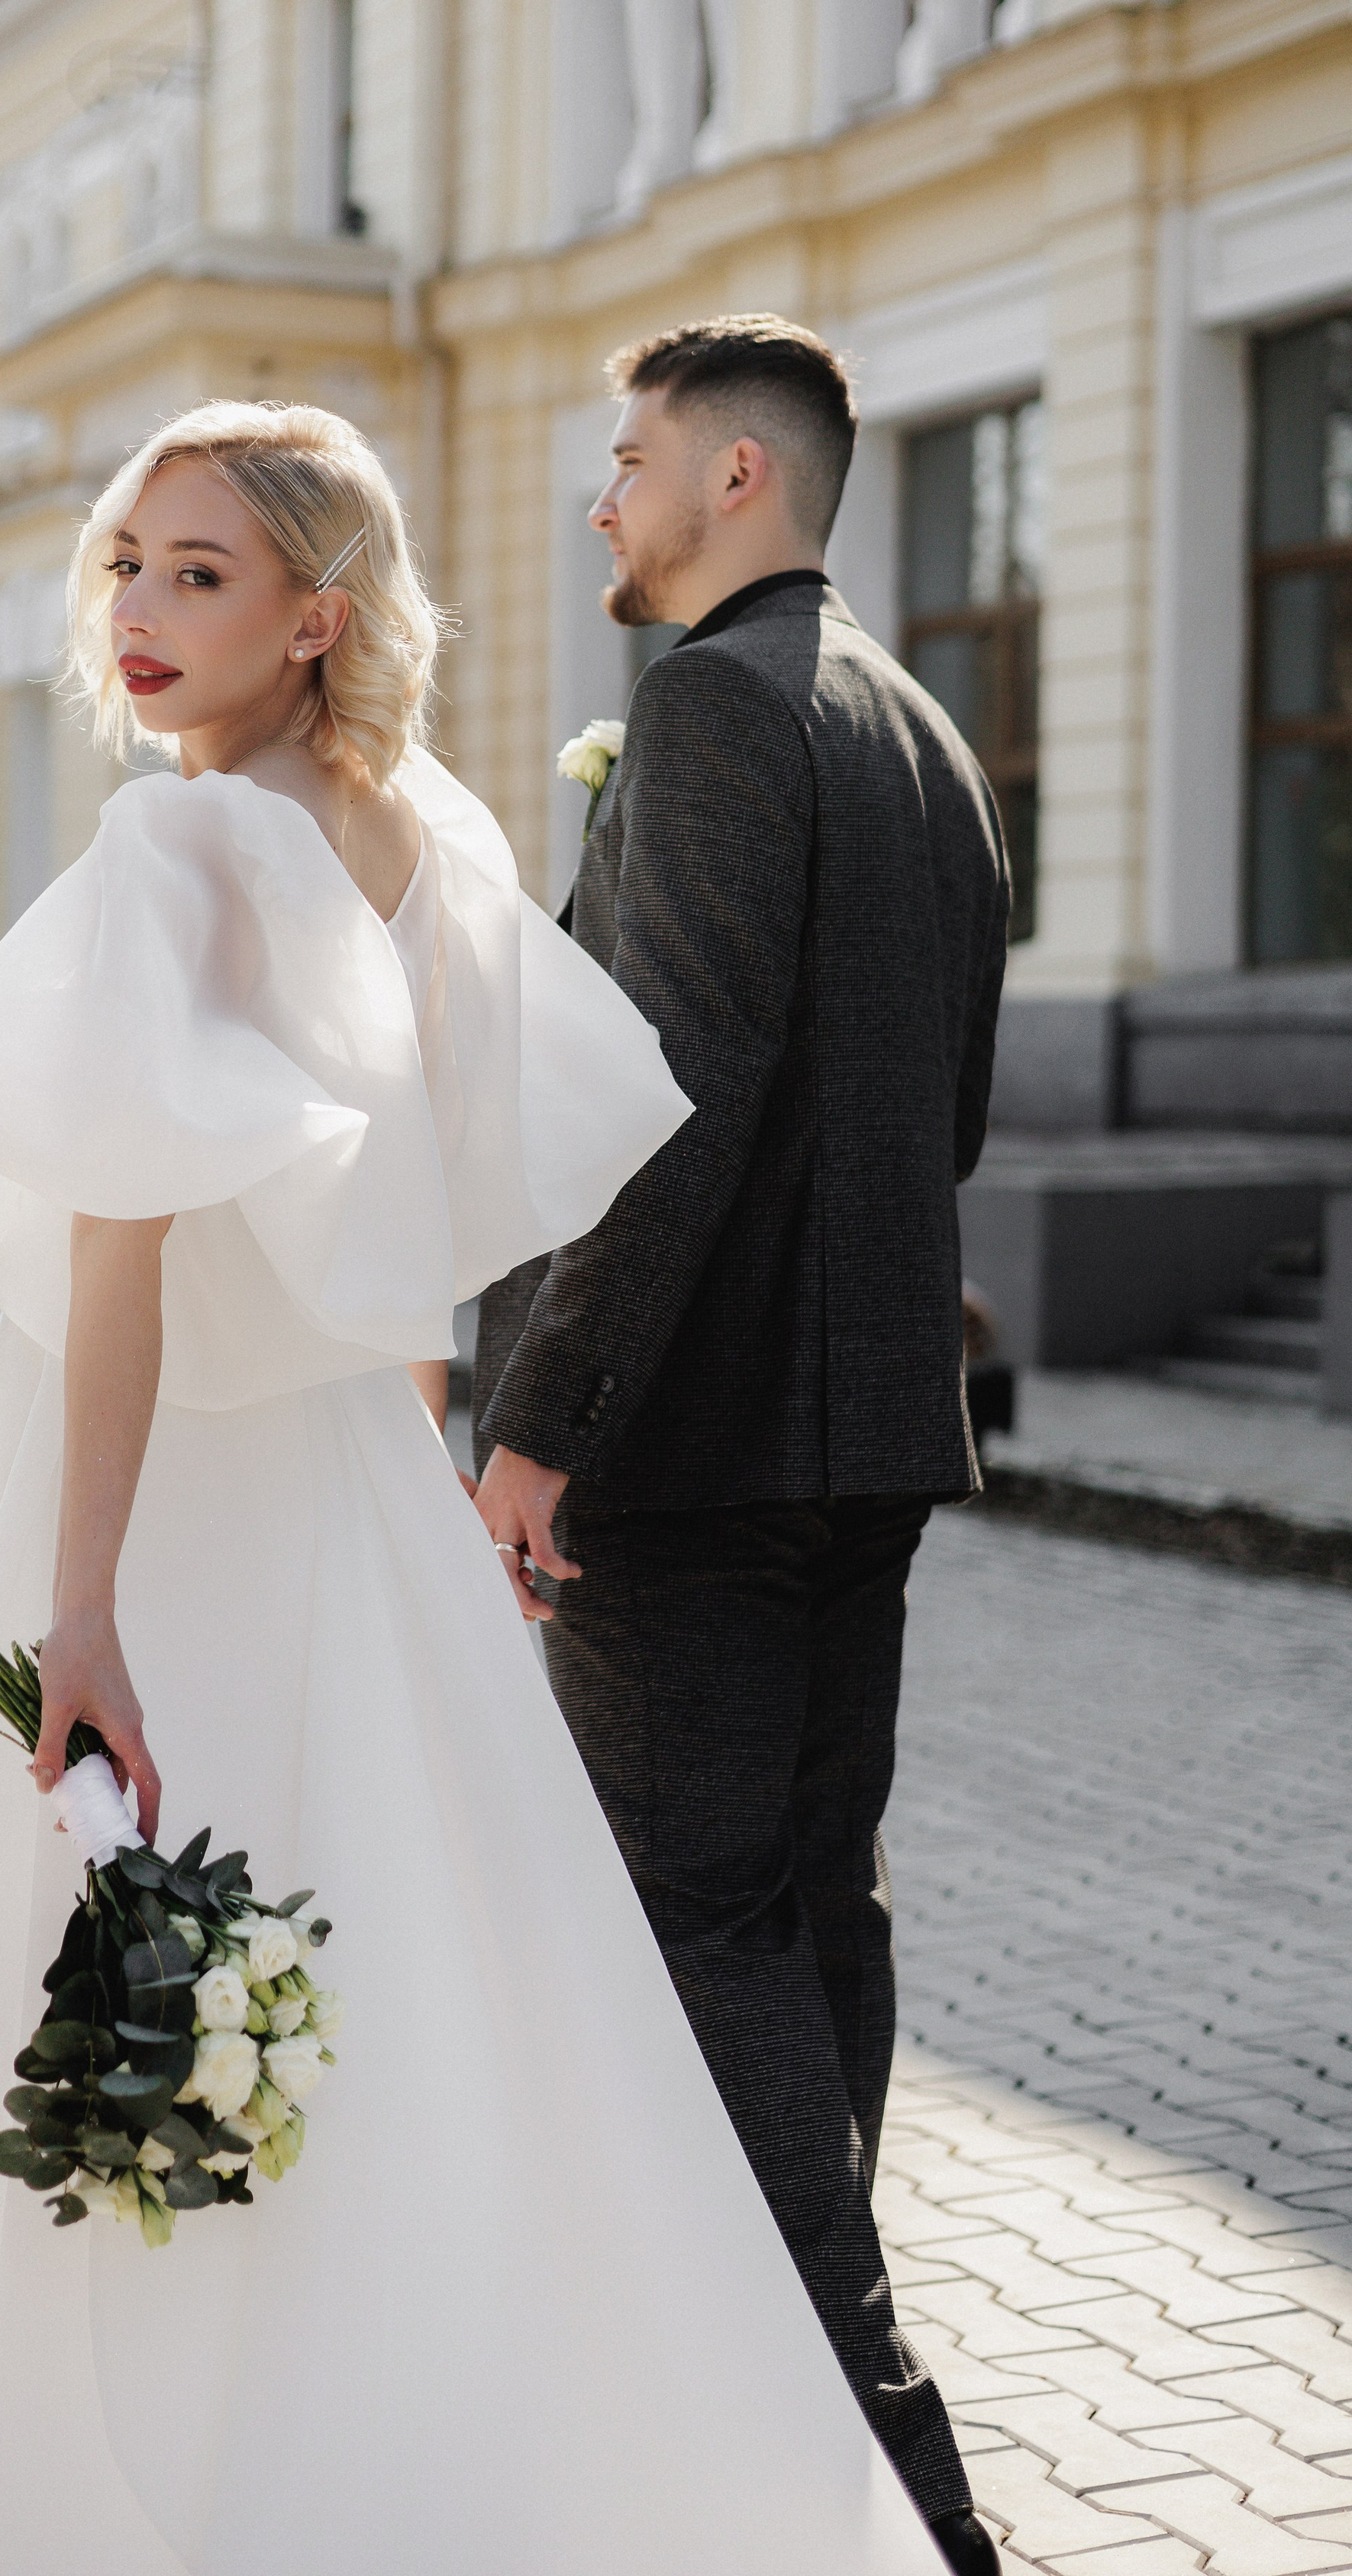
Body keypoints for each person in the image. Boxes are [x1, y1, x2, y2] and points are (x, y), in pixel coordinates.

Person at [0, 398, 955, 2576]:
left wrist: (79, 1601)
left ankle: (164, 2487)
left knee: (132, 1976)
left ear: (319, 615)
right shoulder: (417, 830)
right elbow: (438, 1222)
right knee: (388, 1993)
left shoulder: (180, 850)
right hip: (361, 1484)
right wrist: (436, 1461)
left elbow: (125, 1260)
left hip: (170, 1487)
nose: (143, 614)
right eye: (129, 564)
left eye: (205, 573)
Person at [473, 316, 1012, 2576]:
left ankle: (889, 2482)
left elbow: (655, 1112)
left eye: (629, 463)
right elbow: (950, 1111)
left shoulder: (708, 707)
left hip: (690, 1452)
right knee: (811, 1904)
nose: (603, 500)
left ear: (737, 488)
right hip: (873, 1434)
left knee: (697, 1929)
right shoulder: (919, 729)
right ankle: (786, 2425)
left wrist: (543, 1422)